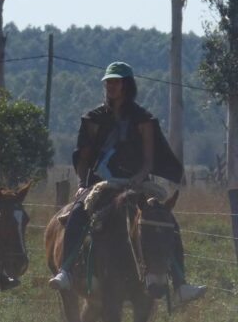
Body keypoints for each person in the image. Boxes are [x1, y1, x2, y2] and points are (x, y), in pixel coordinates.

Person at [48, 61, 205, 302]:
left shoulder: (143, 119)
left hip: (137, 184)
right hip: (100, 184)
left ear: (126, 85)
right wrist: (82, 182)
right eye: (108, 81)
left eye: (116, 81)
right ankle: (66, 270)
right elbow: (85, 156)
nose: (111, 86)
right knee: (78, 212)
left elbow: (149, 161)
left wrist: (138, 179)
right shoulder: (93, 118)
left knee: (167, 220)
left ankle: (180, 284)